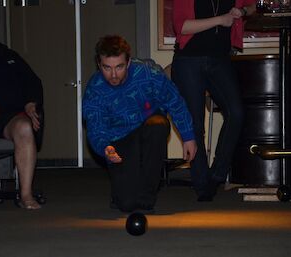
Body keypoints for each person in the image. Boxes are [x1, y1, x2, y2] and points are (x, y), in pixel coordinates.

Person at [83, 35, 197, 213]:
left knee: (158, 125)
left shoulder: (147, 74)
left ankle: (147, 198)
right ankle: (121, 192)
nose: (113, 75)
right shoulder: (95, 89)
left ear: (128, 63)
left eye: (119, 67)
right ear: (99, 64)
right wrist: (106, 148)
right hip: (119, 141)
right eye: (107, 68)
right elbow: (95, 128)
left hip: (147, 129)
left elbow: (174, 101)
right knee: (127, 204)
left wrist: (188, 136)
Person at [171, 0, 256, 201]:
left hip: (219, 58)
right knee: (195, 123)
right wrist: (220, 19)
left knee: (236, 112)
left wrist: (242, 10)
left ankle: (217, 174)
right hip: (189, 59)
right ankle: (203, 185)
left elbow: (253, 5)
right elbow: (182, 26)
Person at [0, 26, 43, 210]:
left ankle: (26, 195)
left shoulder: (7, 55)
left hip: (10, 116)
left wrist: (31, 103)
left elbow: (32, 82)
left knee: (24, 128)